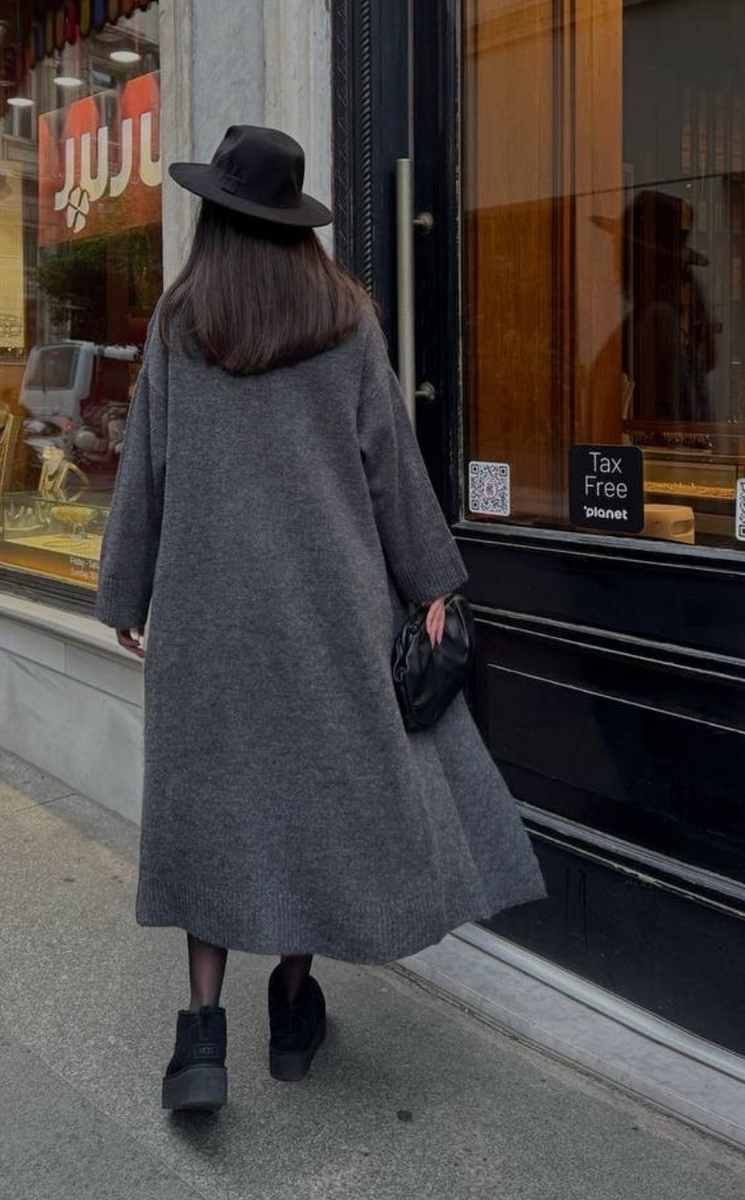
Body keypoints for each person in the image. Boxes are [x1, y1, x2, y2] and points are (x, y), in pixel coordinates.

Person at [95, 125, 545, 1113]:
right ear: (297, 226)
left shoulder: (180, 322)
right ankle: (293, 1011)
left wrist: (126, 592)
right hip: (328, 613)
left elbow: (145, 469)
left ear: (216, 219)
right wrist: (433, 583)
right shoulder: (345, 322)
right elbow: (391, 468)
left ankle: (201, 1034)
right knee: (312, 808)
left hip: (208, 616)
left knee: (210, 810)